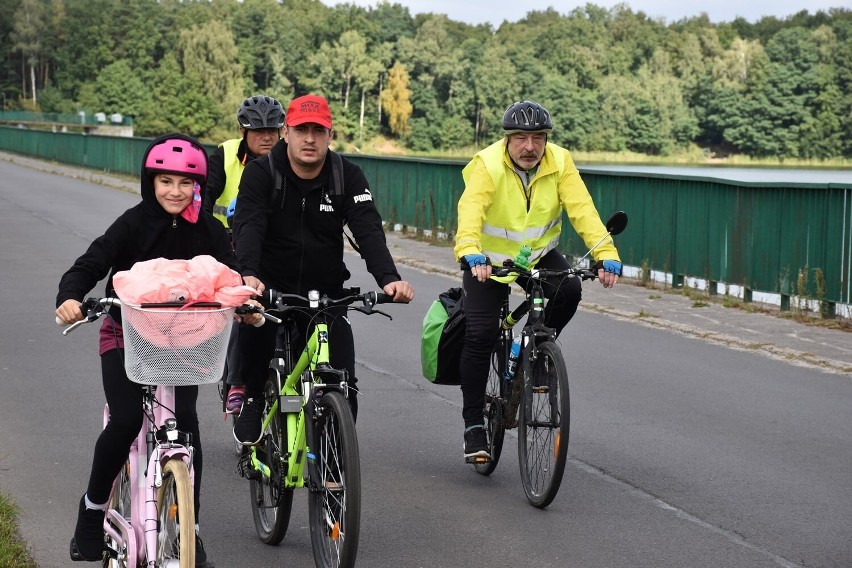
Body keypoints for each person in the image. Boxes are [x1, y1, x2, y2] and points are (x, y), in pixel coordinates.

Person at [56, 134, 260, 566]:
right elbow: (92, 262)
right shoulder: (132, 223)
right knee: (127, 418)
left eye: (185, 183)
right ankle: (92, 512)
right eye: (165, 181)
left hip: (186, 339)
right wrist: (71, 295)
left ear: (198, 187)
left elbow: (233, 271)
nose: (174, 191)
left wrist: (247, 301)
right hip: (126, 335)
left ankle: (191, 528)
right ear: (150, 182)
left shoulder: (209, 228)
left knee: (186, 423)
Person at [231, 94, 414, 445]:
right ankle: (253, 397)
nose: (310, 139)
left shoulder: (346, 175)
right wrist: (249, 275)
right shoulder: (261, 172)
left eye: (319, 130)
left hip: (326, 292)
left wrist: (389, 279)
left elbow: (368, 231)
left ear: (331, 135)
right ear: (287, 132)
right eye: (302, 130)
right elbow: (249, 226)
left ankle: (334, 468)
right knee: (256, 327)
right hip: (271, 286)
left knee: (343, 382)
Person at [454, 100, 623, 461]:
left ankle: (537, 352)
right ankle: (473, 426)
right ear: (507, 140)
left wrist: (605, 253)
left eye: (537, 138)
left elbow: (582, 210)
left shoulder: (560, 162)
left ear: (546, 139)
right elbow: (470, 211)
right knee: (481, 333)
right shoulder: (487, 165)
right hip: (489, 259)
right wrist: (470, 251)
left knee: (569, 289)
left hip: (538, 254)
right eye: (520, 138)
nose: (529, 147)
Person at [202, 94, 285, 415]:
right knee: (244, 310)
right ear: (243, 131)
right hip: (227, 247)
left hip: (272, 247)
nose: (266, 137)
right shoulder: (224, 155)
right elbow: (205, 201)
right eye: (258, 131)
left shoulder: (290, 160)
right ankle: (237, 382)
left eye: (273, 130)